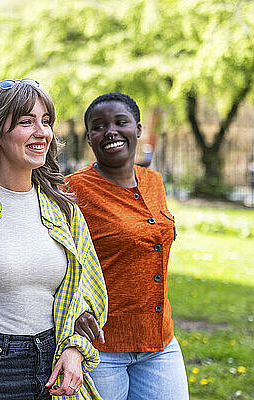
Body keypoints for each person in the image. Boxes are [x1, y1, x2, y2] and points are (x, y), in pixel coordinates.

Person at [0, 79, 108, 399]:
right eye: (26, 122)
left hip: (52, 366)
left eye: (46, 121)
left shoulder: (62, 207)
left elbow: (89, 294)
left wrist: (74, 351)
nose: (41, 132)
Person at [66, 92, 189, 400]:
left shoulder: (153, 181)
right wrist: (73, 310)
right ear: (90, 139)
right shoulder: (71, 190)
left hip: (160, 342)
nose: (110, 131)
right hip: (101, 348)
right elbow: (55, 259)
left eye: (121, 122)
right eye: (99, 126)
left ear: (137, 129)